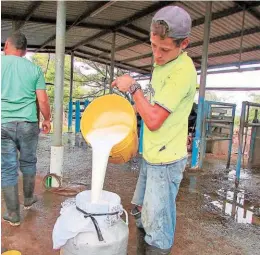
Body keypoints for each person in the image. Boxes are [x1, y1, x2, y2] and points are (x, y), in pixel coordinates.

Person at [112, 6, 197, 255]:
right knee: (140, 212)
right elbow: (149, 105)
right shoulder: (163, 65)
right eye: (153, 46)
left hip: (167, 161)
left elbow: (153, 120)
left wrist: (133, 88)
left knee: (158, 228)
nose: (157, 55)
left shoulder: (182, 70)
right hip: (152, 156)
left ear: (184, 44)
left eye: (165, 49)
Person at [1, 32, 51, 226]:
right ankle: (29, 199)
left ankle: (13, 214)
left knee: (7, 168)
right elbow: (43, 100)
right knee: (29, 161)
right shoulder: (34, 69)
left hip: (3, 123)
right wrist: (47, 119)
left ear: (7, 45)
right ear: (25, 51)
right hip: (28, 124)